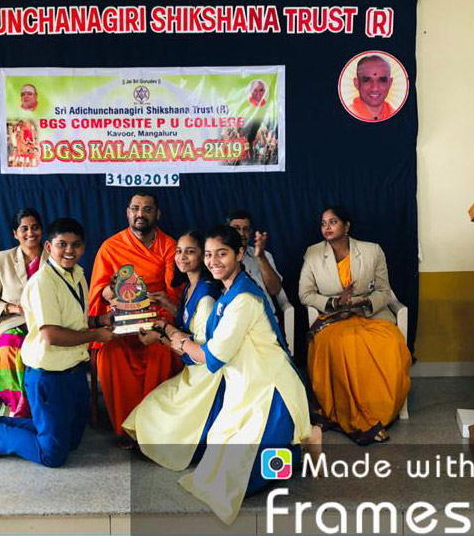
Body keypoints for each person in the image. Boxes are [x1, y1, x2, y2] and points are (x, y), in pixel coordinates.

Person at [126, 225, 313, 525]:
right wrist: (173, 334)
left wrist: (176, 339)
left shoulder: (243, 299)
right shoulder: (228, 290)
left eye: (221, 254)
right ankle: (298, 443)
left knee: (243, 480)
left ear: (239, 254)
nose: (213, 261)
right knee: (215, 470)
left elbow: (212, 356)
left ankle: (301, 443)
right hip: (243, 386)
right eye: (209, 255)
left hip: (269, 389)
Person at [0, 218, 115, 467]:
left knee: (72, 441)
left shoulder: (78, 275)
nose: (69, 250)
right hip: (49, 376)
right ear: (49, 247)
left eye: (76, 245)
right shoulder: (42, 282)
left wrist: (98, 320)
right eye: (62, 244)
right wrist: (97, 336)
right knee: (53, 456)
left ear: (83, 248)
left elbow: (74, 321)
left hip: (75, 372)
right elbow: (51, 335)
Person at [299, 206, 411, 445]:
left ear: (347, 225)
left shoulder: (372, 250)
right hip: (333, 318)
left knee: (391, 343)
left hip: (371, 314)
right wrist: (335, 302)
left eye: (333, 222)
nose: (327, 227)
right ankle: (354, 415)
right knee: (343, 344)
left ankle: (381, 411)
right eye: (323, 223)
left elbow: (384, 291)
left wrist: (363, 303)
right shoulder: (313, 253)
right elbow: (305, 294)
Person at [122, 231, 223, 470]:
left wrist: (159, 337)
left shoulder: (206, 296)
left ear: (204, 256)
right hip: (194, 368)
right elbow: (188, 322)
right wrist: (168, 306)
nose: (182, 257)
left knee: (160, 408)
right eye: (178, 251)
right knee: (153, 404)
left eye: (190, 252)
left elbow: (199, 352)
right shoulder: (191, 286)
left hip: (205, 375)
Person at [88, 191, 182, 444]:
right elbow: (98, 290)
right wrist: (113, 294)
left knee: (161, 353)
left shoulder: (169, 246)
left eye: (147, 209)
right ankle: (125, 429)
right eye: (135, 208)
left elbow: (173, 292)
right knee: (111, 356)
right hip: (120, 320)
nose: (141, 214)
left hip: (156, 319)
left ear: (157, 214)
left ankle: (153, 428)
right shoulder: (111, 247)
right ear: (128, 213)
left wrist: (157, 316)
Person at [0, 209, 48, 417]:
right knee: (9, 348)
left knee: (46, 348)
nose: (30, 233)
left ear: (41, 230)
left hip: (46, 322)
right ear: (15, 233)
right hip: (13, 323)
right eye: (24, 229)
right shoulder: (3, 259)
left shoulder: (54, 256)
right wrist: (11, 308)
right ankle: (19, 412)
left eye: (35, 227)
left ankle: (36, 412)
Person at [226, 209, 282, 313]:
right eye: (236, 229)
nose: (241, 233)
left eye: (246, 229)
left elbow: (275, 290)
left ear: (251, 232)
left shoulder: (264, 255)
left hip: (264, 316)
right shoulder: (219, 260)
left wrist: (261, 257)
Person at [349, 55, 395, 121]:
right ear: (357, 83)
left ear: (390, 83)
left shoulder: (397, 116)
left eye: (382, 80)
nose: (375, 88)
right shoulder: (346, 115)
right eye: (367, 80)